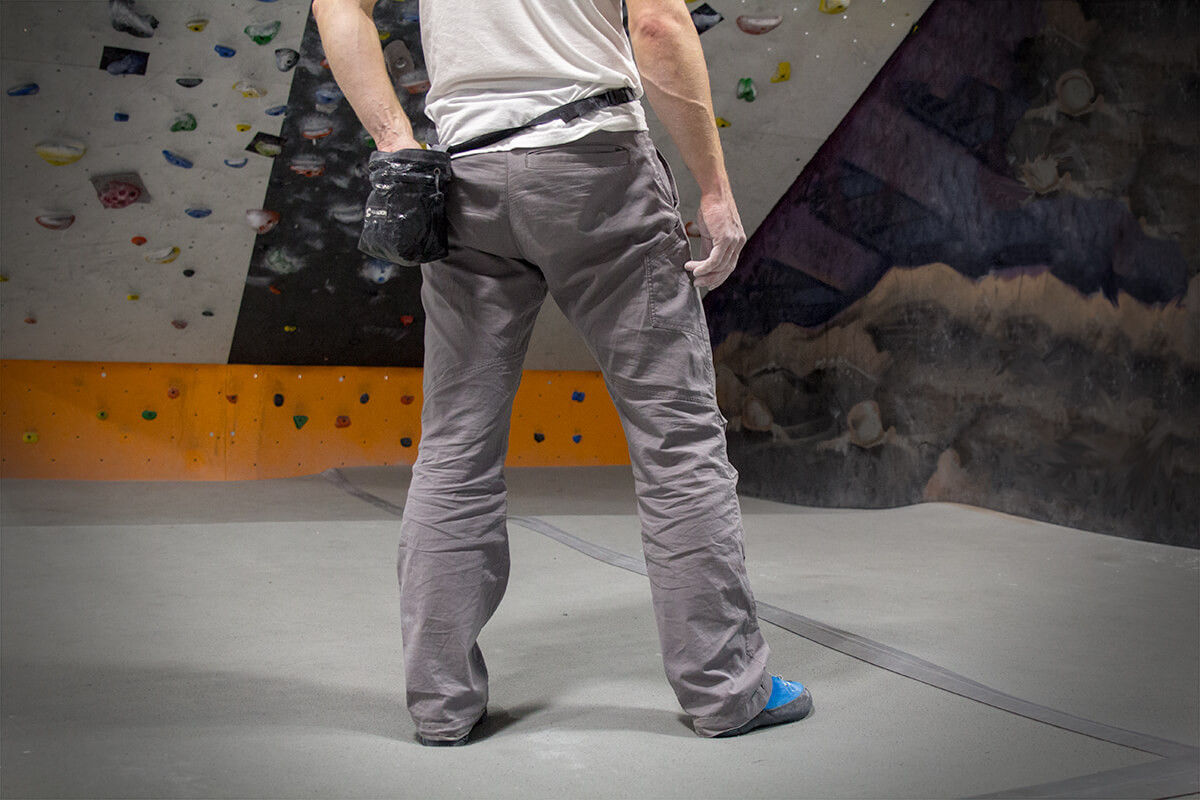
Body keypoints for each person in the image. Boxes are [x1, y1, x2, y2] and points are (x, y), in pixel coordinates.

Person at [312, 0, 813, 745]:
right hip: (597, 163)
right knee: (676, 442)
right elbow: (658, 25)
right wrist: (714, 188)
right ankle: (726, 690)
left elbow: (337, 5)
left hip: (464, 175)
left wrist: (395, 141)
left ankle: (441, 706)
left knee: (455, 445)